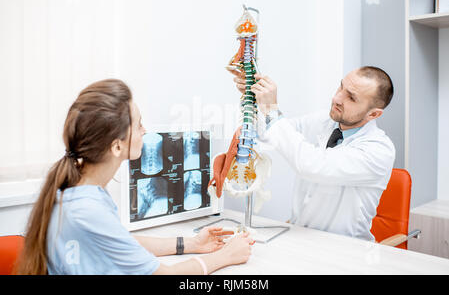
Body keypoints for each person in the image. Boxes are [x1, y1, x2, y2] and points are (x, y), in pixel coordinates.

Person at [16, 79, 253, 275]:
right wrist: (226, 256)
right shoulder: (87, 210)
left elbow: (122, 244)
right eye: (138, 125)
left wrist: (191, 244)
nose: (145, 131)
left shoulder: (80, 191)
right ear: (117, 147)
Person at [230, 66, 395, 241]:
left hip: (344, 250)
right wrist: (254, 98)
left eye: (351, 98)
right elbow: (270, 133)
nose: (337, 98)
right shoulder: (325, 121)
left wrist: (271, 108)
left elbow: (311, 165)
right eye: (341, 87)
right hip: (301, 237)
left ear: (374, 114)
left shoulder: (378, 150)